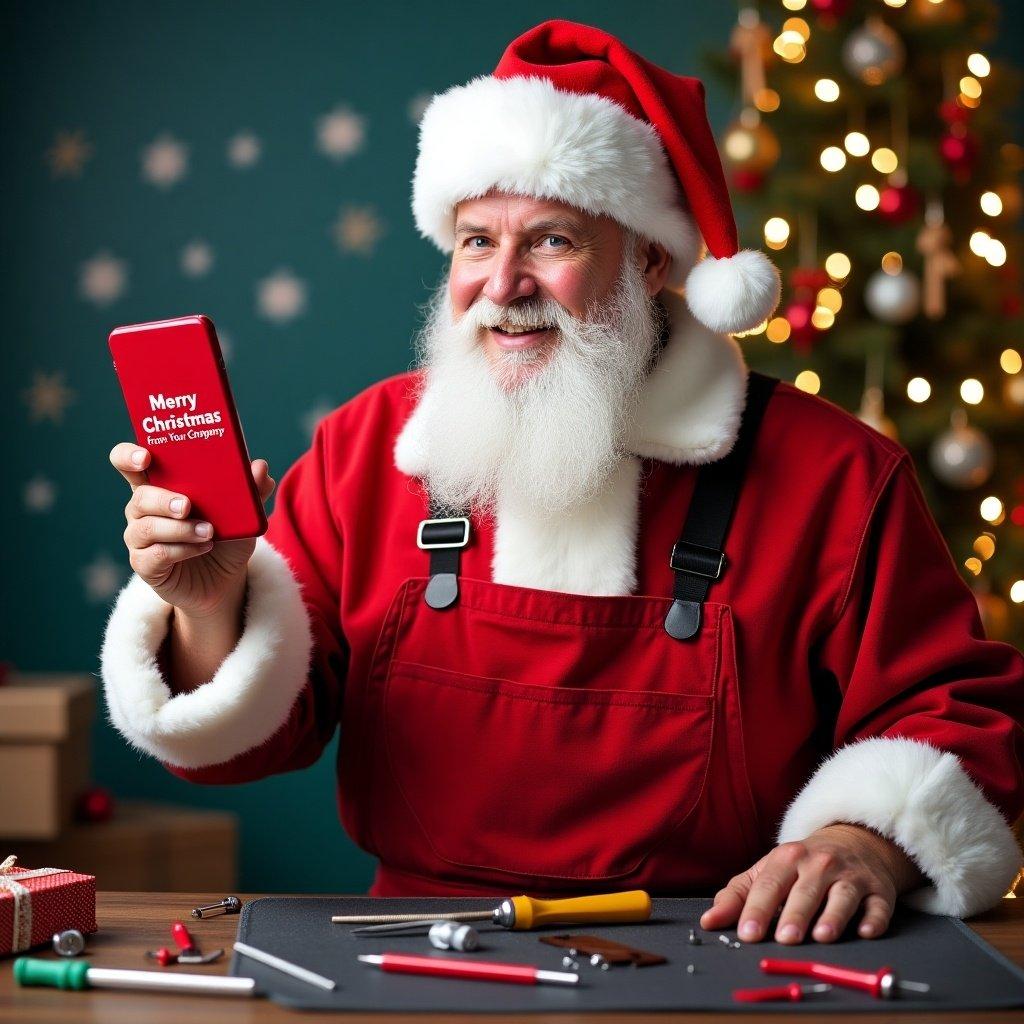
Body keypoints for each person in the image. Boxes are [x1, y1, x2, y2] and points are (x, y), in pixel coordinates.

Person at [101, 19, 1023, 947]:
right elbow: (254, 739)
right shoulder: (367, 446)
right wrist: (207, 608)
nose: (503, 285)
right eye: (474, 243)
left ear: (651, 259)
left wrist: (867, 838)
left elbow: (957, 711)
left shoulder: (836, 475)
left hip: (727, 954)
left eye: (550, 240)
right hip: (415, 954)